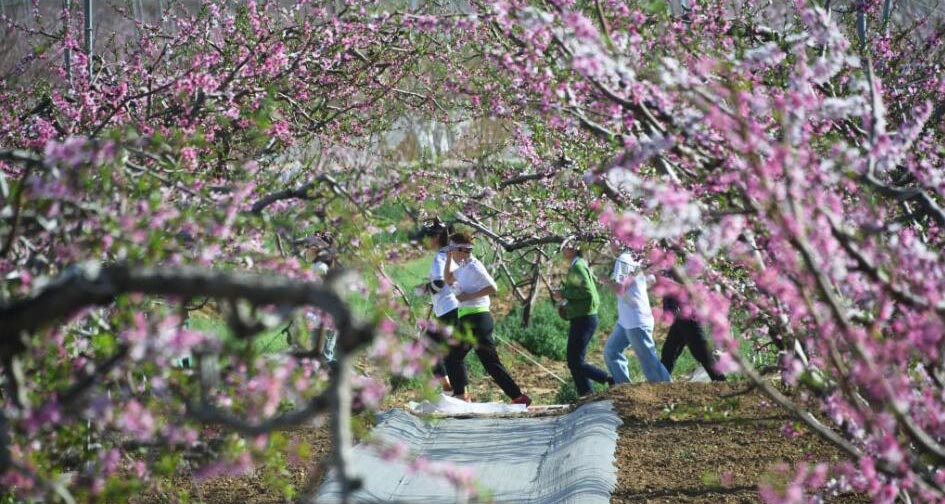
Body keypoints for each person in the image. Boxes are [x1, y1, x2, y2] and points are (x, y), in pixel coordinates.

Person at [443, 233, 531, 406]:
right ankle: (519, 398)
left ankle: (461, 397)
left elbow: (493, 287)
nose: (451, 253)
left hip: (476, 318)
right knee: (491, 363)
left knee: (452, 356)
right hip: (473, 319)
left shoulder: (475, 266)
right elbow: (447, 279)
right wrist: (447, 258)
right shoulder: (462, 267)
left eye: (452, 249)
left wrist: (468, 296)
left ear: (462, 249)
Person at [603, 248, 671, 383]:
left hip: (635, 321)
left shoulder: (623, 258)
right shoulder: (636, 257)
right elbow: (650, 280)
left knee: (649, 362)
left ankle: (668, 393)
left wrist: (605, 280)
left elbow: (620, 289)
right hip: (626, 320)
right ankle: (624, 389)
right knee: (611, 351)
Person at [557, 240, 612, 396]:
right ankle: (587, 394)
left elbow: (587, 293)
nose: (563, 250)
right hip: (582, 317)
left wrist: (564, 294)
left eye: (566, 247)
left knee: (574, 361)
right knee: (574, 360)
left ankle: (607, 380)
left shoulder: (578, 267)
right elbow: (581, 291)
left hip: (584, 318)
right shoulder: (578, 265)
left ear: (575, 249)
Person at [415, 218, 458, 392]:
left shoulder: (440, 257)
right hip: (456, 307)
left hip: (448, 309)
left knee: (426, 348)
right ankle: (454, 388)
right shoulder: (453, 254)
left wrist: (425, 288)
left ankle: (450, 388)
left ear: (437, 238)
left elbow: (439, 283)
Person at [660, 292, 726, 381]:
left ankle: (720, 380)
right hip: (679, 318)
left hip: (689, 318)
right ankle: (661, 380)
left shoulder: (680, 279)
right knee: (669, 351)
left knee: (702, 352)